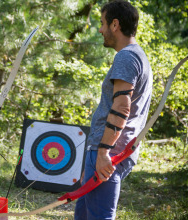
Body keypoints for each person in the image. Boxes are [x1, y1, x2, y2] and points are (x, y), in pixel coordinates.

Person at [74, 1, 152, 219]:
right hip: (109, 150)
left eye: (102, 23)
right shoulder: (138, 56)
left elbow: (122, 107)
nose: (100, 29)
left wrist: (103, 153)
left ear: (115, 24)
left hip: (110, 152)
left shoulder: (126, 57)